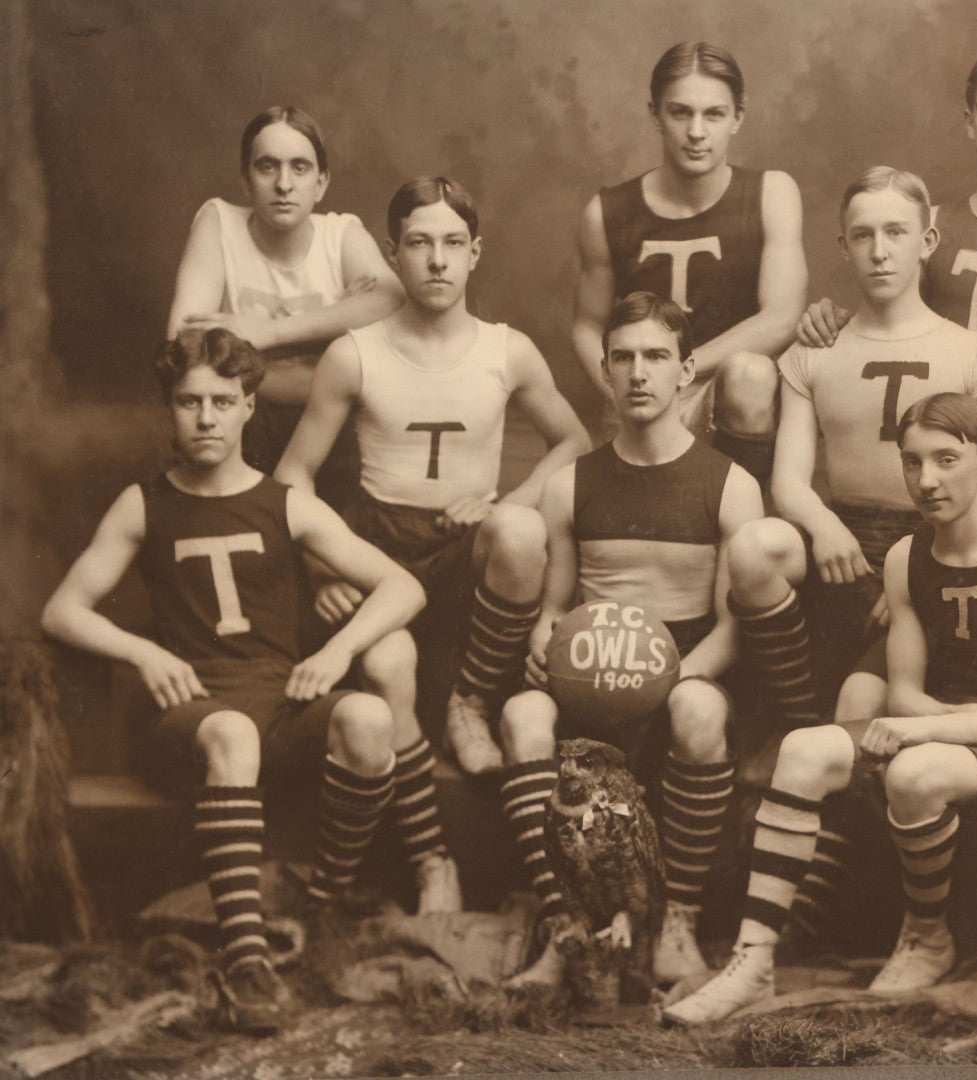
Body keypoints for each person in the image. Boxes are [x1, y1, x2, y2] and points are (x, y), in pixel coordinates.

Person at [41, 329, 460, 1036]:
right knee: (232, 732)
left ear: (247, 408)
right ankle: (247, 961)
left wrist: (338, 653)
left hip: (281, 702)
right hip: (193, 716)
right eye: (188, 402)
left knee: (366, 718)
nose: (205, 418)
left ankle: (318, 897)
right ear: (169, 410)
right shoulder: (143, 503)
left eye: (221, 402)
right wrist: (142, 652)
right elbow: (62, 610)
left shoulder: (285, 503)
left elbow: (401, 587)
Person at [662, 392, 977, 1024]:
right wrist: (928, 723)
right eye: (913, 462)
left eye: (947, 459)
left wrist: (929, 729)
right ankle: (752, 963)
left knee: (917, 772)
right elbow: (904, 688)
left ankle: (924, 935)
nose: (927, 480)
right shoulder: (908, 558)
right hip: (943, 730)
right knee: (804, 749)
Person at [276, 176, 591, 775]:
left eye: (453, 243)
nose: (438, 260)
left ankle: (467, 705)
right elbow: (294, 472)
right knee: (383, 673)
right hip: (377, 548)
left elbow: (575, 441)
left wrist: (505, 505)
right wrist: (322, 569)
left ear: (475, 252)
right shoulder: (355, 353)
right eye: (418, 243)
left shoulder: (507, 350)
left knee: (521, 533)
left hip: (462, 553)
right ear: (393, 254)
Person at [496, 292, 763, 988]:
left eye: (655, 356)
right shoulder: (568, 483)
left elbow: (731, 628)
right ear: (606, 372)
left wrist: (664, 682)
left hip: (682, 676)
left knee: (700, 712)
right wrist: (542, 640)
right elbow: (552, 607)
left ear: (687, 370)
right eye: (623, 358)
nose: (638, 373)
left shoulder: (730, 485)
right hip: (589, 681)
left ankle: (676, 921)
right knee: (522, 713)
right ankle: (565, 929)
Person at [727, 166, 977, 739]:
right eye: (863, 236)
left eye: (896, 233)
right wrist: (825, 525)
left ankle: (827, 750)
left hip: (936, 546)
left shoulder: (975, 354)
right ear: (844, 245)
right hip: (844, 544)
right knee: (758, 546)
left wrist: (918, 565)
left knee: (864, 700)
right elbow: (789, 482)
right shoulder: (815, 353)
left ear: (927, 242)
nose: (879, 252)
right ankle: (798, 725)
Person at [796, 43, 977, 449]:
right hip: (928, 437)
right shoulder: (928, 223)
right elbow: (885, 321)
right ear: (970, 123)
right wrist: (830, 318)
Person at [572, 41, 807, 493]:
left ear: (738, 117)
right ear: (655, 114)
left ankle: (747, 524)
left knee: (752, 373)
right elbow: (586, 326)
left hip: (720, 389)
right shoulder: (606, 211)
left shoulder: (771, 194)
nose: (696, 131)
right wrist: (628, 390)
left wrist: (680, 373)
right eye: (681, 113)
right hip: (639, 385)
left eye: (714, 114)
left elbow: (782, 317)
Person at [167, 105, 405, 509]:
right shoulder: (218, 222)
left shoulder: (340, 234)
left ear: (321, 183)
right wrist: (332, 332)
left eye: (299, 167)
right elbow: (184, 346)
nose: (283, 184)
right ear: (246, 180)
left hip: (333, 433)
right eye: (267, 167)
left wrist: (261, 334)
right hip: (245, 426)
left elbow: (392, 301)